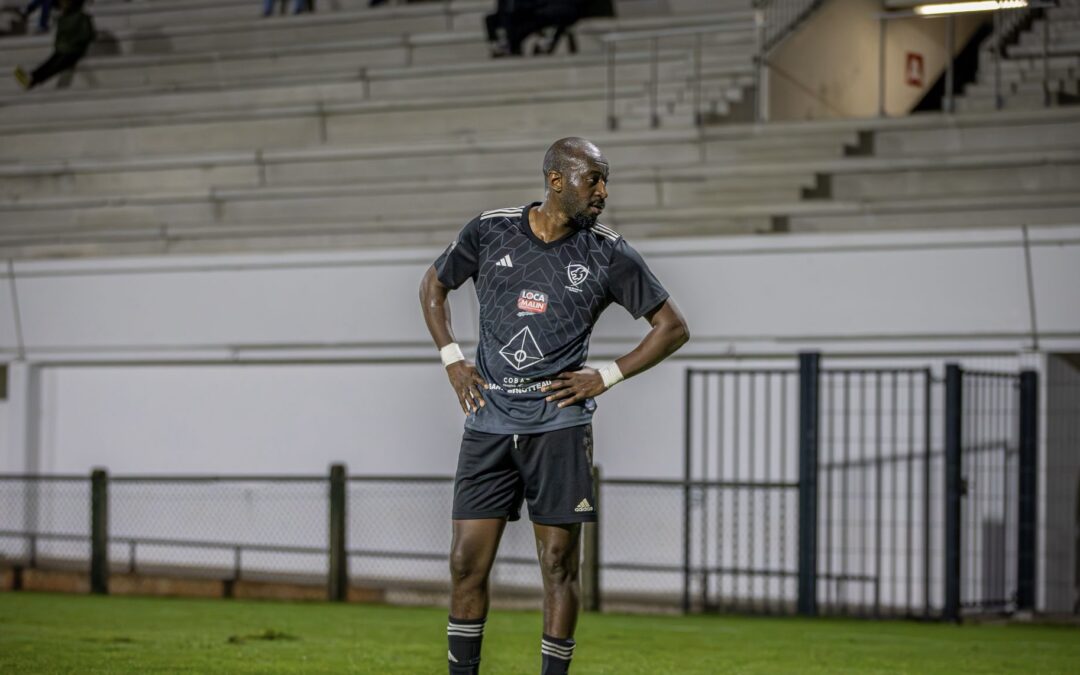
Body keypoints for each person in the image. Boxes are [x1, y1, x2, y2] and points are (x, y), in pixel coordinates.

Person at [419, 137, 689, 674]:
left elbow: (672, 328)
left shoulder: (608, 250)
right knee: (463, 564)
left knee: (559, 565)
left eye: (605, 180)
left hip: (559, 425)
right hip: (489, 421)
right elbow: (433, 285)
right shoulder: (490, 229)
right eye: (595, 179)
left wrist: (606, 376)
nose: (604, 192)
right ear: (557, 180)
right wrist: (453, 359)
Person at [13, 0, 94, 90]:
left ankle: (33, 80)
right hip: (66, 49)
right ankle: (32, 76)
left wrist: (72, 45)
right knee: (51, 61)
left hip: (74, 51)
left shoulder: (80, 17)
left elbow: (87, 36)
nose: (62, 6)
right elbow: (61, 37)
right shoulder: (65, 17)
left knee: (56, 64)